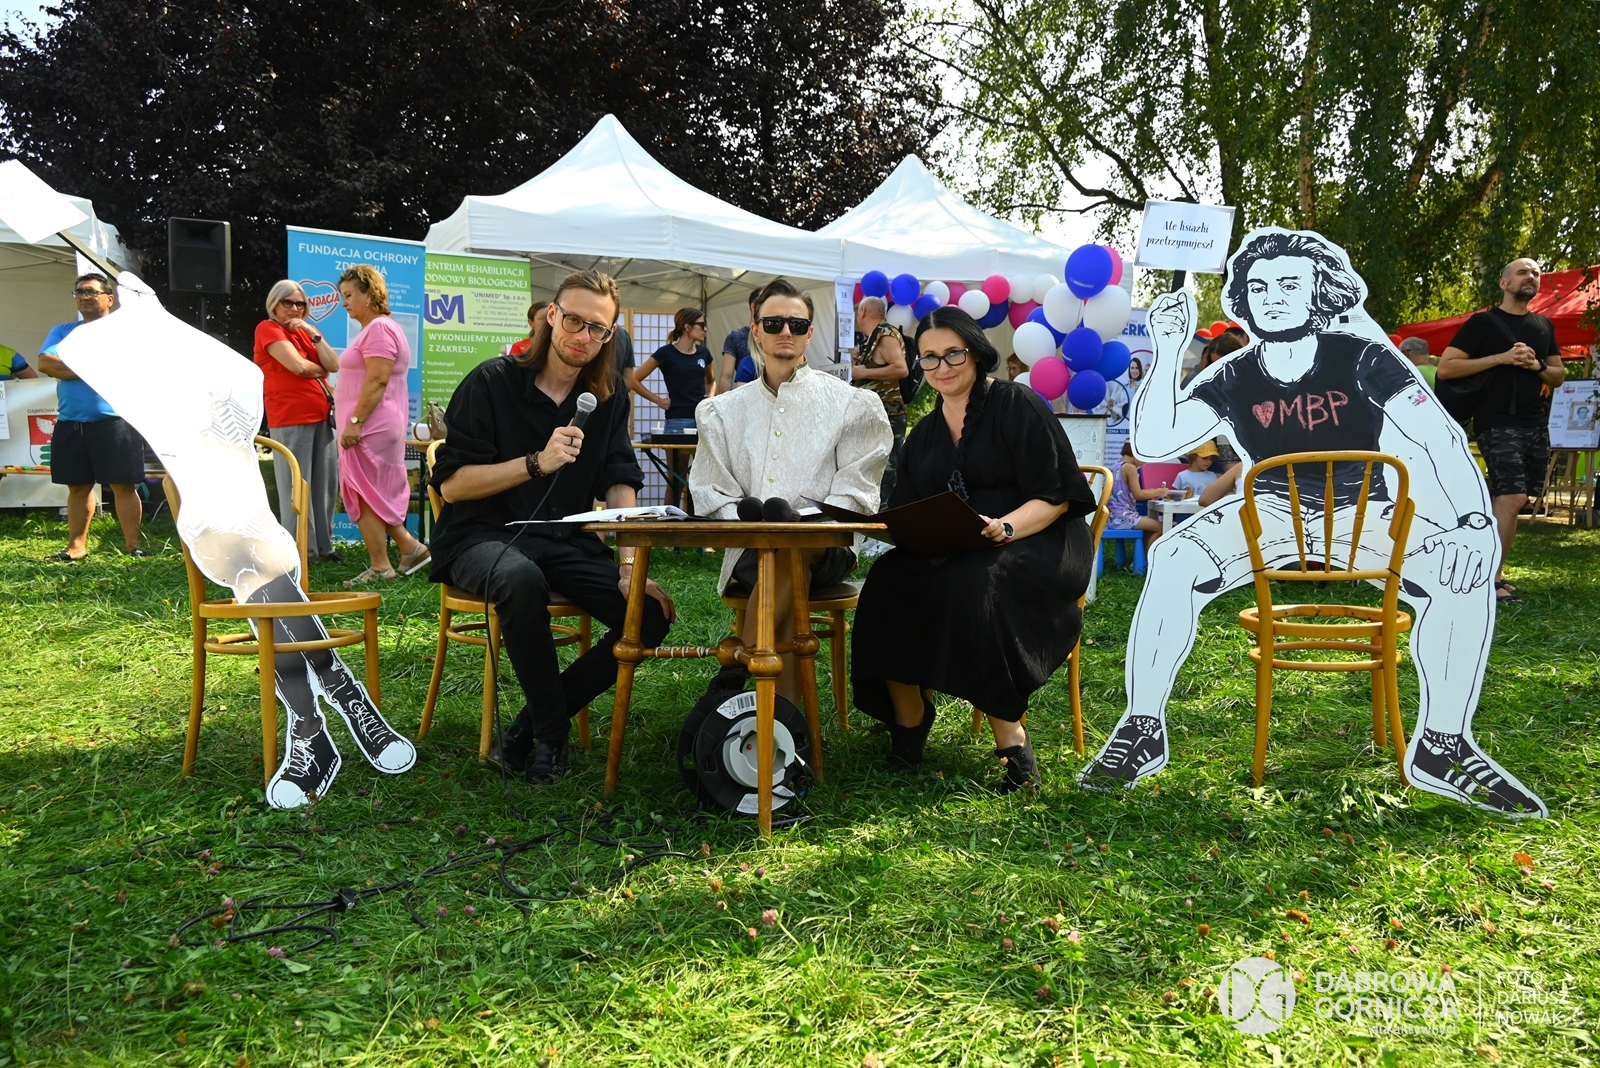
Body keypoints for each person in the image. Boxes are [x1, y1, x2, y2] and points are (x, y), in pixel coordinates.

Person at [1080, 229, 1545, 818]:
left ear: (1319, 291)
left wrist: (1473, 520)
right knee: (1172, 558)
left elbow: (1437, 437)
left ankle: (1444, 744)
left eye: (1289, 284)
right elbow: (1152, 440)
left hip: (1365, 513)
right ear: (1244, 302)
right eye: (1259, 288)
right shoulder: (1233, 374)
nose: (1272, 297)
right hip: (1270, 514)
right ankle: (1142, 727)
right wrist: (1169, 351)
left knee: (1464, 573)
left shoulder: (1363, 356)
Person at [429, 268, 674, 785]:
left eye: (597, 328)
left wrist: (629, 567)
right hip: (481, 534)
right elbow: (452, 486)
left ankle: (530, 725)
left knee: (648, 614)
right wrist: (536, 463)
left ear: (609, 336)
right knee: (520, 578)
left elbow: (619, 478)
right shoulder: (491, 382)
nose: (583, 335)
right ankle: (553, 736)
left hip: (563, 539)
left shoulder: (607, 398)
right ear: (551, 316)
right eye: (574, 321)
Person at [851, 307, 1096, 790]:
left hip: (1038, 542)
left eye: (953, 354)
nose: (941, 367)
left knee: (973, 584)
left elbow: (1056, 496)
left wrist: (1005, 526)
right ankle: (909, 717)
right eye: (929, 358)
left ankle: (1011, 737)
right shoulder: (924, 434)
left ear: (976, 352)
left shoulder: (1017, 404)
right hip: (959, 550)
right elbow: (908, 508)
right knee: (886, 580)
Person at [691, 278, 891, 710]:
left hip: (826, 549)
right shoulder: (722, 411)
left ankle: (736, 667)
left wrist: (809, 525)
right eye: (774, 323)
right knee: (782, 559)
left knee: (796, 546)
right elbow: (710, 491)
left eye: (797, 325)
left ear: (809, 334)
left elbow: (857, 490)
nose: (786, 331)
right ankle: (789, 729)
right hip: (751, 551)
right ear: (755, 330)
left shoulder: (850, 403)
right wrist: (753, 528)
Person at [1438, 258, 1565, 604]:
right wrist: (1501, 358)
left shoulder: (1543, 326)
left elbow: (1558, 375)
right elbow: (1447, 368)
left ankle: (1493, 573)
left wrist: (1536, 365)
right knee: (1511, 496)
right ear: (1504, 283)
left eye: (1535, 273)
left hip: (1535, 422)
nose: (1530, 277)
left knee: (1517, 499)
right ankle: (1489, 581)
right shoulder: (1483, 323)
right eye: (1522, 272)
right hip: (1496, 420)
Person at [37, 273, 147, 560]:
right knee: (78, 487)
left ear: (109, 299)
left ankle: (133, 547)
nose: (84, 296)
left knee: (124, 485)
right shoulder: (63, 332)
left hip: (116, 422)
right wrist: (95, 368)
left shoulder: (125, 333)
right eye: (79, 292)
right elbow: (46, 363)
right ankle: (76, 548)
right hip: (71, 423)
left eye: (91, 292)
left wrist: (73, 366)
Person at [334, 265, 430, 586]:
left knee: (363, 493)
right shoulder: (377, 329)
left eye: (349, 295)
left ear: (369, 294)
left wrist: (355, 422)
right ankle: (411, 549)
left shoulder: (379, 329)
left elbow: (377, 379)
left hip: (370, 426)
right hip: (372, 424)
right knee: (371, 492)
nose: (344, 302)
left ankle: (380, 567)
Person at [254, 280, 343, 563]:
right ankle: (299, 550)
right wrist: (320, 370)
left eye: (300, 304)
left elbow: (334, 364)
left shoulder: (307, 332)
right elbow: (298, 366)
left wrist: (311, 333)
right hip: (290, 417)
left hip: (321, 417)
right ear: (274, 304)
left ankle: (324, 548)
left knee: (325, 484)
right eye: (288, 302)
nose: (294, 308)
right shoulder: (268, 328)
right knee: (296, 485)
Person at [629, 307, 713, 508]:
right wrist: (658, 400)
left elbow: (711, 381)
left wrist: (710, 397)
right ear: (687, 327)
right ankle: (670, 524)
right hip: (677, 422)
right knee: (676, 480)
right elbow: (633, 379)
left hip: (703, 421)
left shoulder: (704, 353)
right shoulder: (666, 353)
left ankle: (697, 522)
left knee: (703, 480)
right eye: (701, 325)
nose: (705, 329)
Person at [851, 296, 910, 506]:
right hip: (875, 416)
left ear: (863, 312)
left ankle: (886, 518)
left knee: (886, 475)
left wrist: (864, 371)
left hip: (888, 416)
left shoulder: (886, 334)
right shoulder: (874, 338)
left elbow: (901, 368)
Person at [1107, 442, 1166, 549]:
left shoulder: (1116, 466)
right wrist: (1159, 491)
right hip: (1125, 518)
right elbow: (1138, 495)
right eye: (1144, 458)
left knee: (1150, 527)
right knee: (1162, 527)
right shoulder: (1130, 468)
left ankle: (1142, 557)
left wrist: (1153, 491)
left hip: (1113, 518)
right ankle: (1148, 557)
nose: (1144, 463)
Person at [717, 287, 763, 393]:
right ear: (753, 307)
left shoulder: (776, 335)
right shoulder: (736, 337)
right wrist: (724, 402)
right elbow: (726, 377)